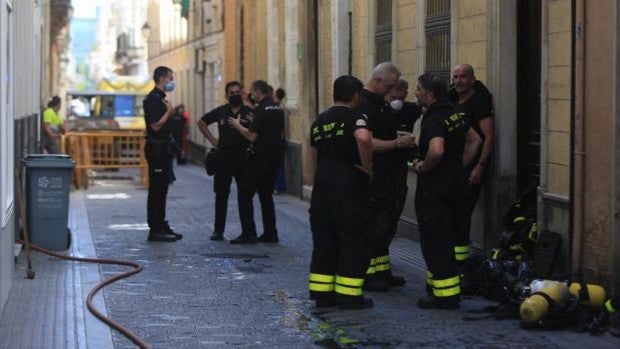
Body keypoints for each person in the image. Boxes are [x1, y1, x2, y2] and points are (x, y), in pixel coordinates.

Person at [412, 73, 481, 309]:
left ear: (430, 94)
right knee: (449, 237)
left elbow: (437, 150)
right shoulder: (453, 113)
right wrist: (458, 167)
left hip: (435, 190)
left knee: (435, 241)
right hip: (456, 186)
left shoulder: (433, 119)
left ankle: (445, 296)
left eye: (419, 89)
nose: (416, 92)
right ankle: (440, 289)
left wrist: (423, 166)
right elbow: (475, 140)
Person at [308, 75, 374, 309]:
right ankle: (348, 295)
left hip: (322, 187)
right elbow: (364, 139)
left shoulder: (319, 120)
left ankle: (322, 293)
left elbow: (313, 153)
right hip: (348, 187)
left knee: (324, 240)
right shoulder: (355, 117)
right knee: (352, 239)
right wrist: (368, 169)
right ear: (356, 96)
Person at [356, 62, 415, 292]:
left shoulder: (380, 103)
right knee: (374, 227)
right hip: (377, 178)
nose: (392, 92)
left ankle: (382, 270)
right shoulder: (365, 104)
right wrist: (396, 143)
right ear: (378, 80)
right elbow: (366, 141)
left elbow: (382, 133)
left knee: (386, 227)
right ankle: (367, 275)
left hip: (391, 176)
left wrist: (397, 136)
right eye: (389, 86)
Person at [449, 64, 495, 281]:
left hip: (471, 170)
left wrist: (480, 166)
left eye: (463, 77)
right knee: (453, 215)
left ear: (472, 78)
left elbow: (488, 137)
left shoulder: (479, 102)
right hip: (454, 168)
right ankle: (453, 260)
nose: (458, 81)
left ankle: (461, 264)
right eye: (455, 77)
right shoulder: (452, 98)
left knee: (461, 215)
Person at [228, 80, 285, 244]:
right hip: (273, 158)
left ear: (258, 92)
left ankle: (248, 233)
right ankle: (270, 233)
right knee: (266, 196)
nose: (251, 95)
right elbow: (276, 131)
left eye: (252, 92)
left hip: (258, 159)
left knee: (244, 195)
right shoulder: (277, 108)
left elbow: (252, 136)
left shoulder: (261, 109)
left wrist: (238, 125)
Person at [198, 81, 253, 241]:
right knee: (221, 195)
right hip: (224, 159)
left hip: (243, 159)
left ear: (242, 93)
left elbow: (257, 130)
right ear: (226, 95)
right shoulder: (221, 111)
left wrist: (253, 122)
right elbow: (201, 122)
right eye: (231, 93)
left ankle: (248, 232)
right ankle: (218, 231)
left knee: (245, 196)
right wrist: (212, 140)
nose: (235, 95)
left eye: (237, 92)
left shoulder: (248, 112)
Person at [384, 78, 423, 283]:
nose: (396, 101)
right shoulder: (380, 111)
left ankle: (383, 261)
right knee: (380, 221)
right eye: (393, 97)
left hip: (400, 174)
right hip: (382, 173)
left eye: (400, 97)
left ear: (407, 94)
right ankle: (375, 262)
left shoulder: (411, 110)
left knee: (393, 218)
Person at [143, 66, 182, 242]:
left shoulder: (161, 98)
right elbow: (155, 126)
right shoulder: (152, 99)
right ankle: (155, 229)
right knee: (157, 190)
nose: (172, 81)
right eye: (170, 78)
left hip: (164, 150)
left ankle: (161, 223)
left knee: (163, 188)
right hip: (156, 150)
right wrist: (169, 113)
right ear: (162, 79)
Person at [273, 87, 286, 194]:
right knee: (278, 164)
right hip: (279, 138)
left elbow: (280, 126)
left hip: (277, 139)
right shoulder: (281, 107)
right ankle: (278, 185)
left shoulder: (277, 108)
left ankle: (279, 186)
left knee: (277, 164)